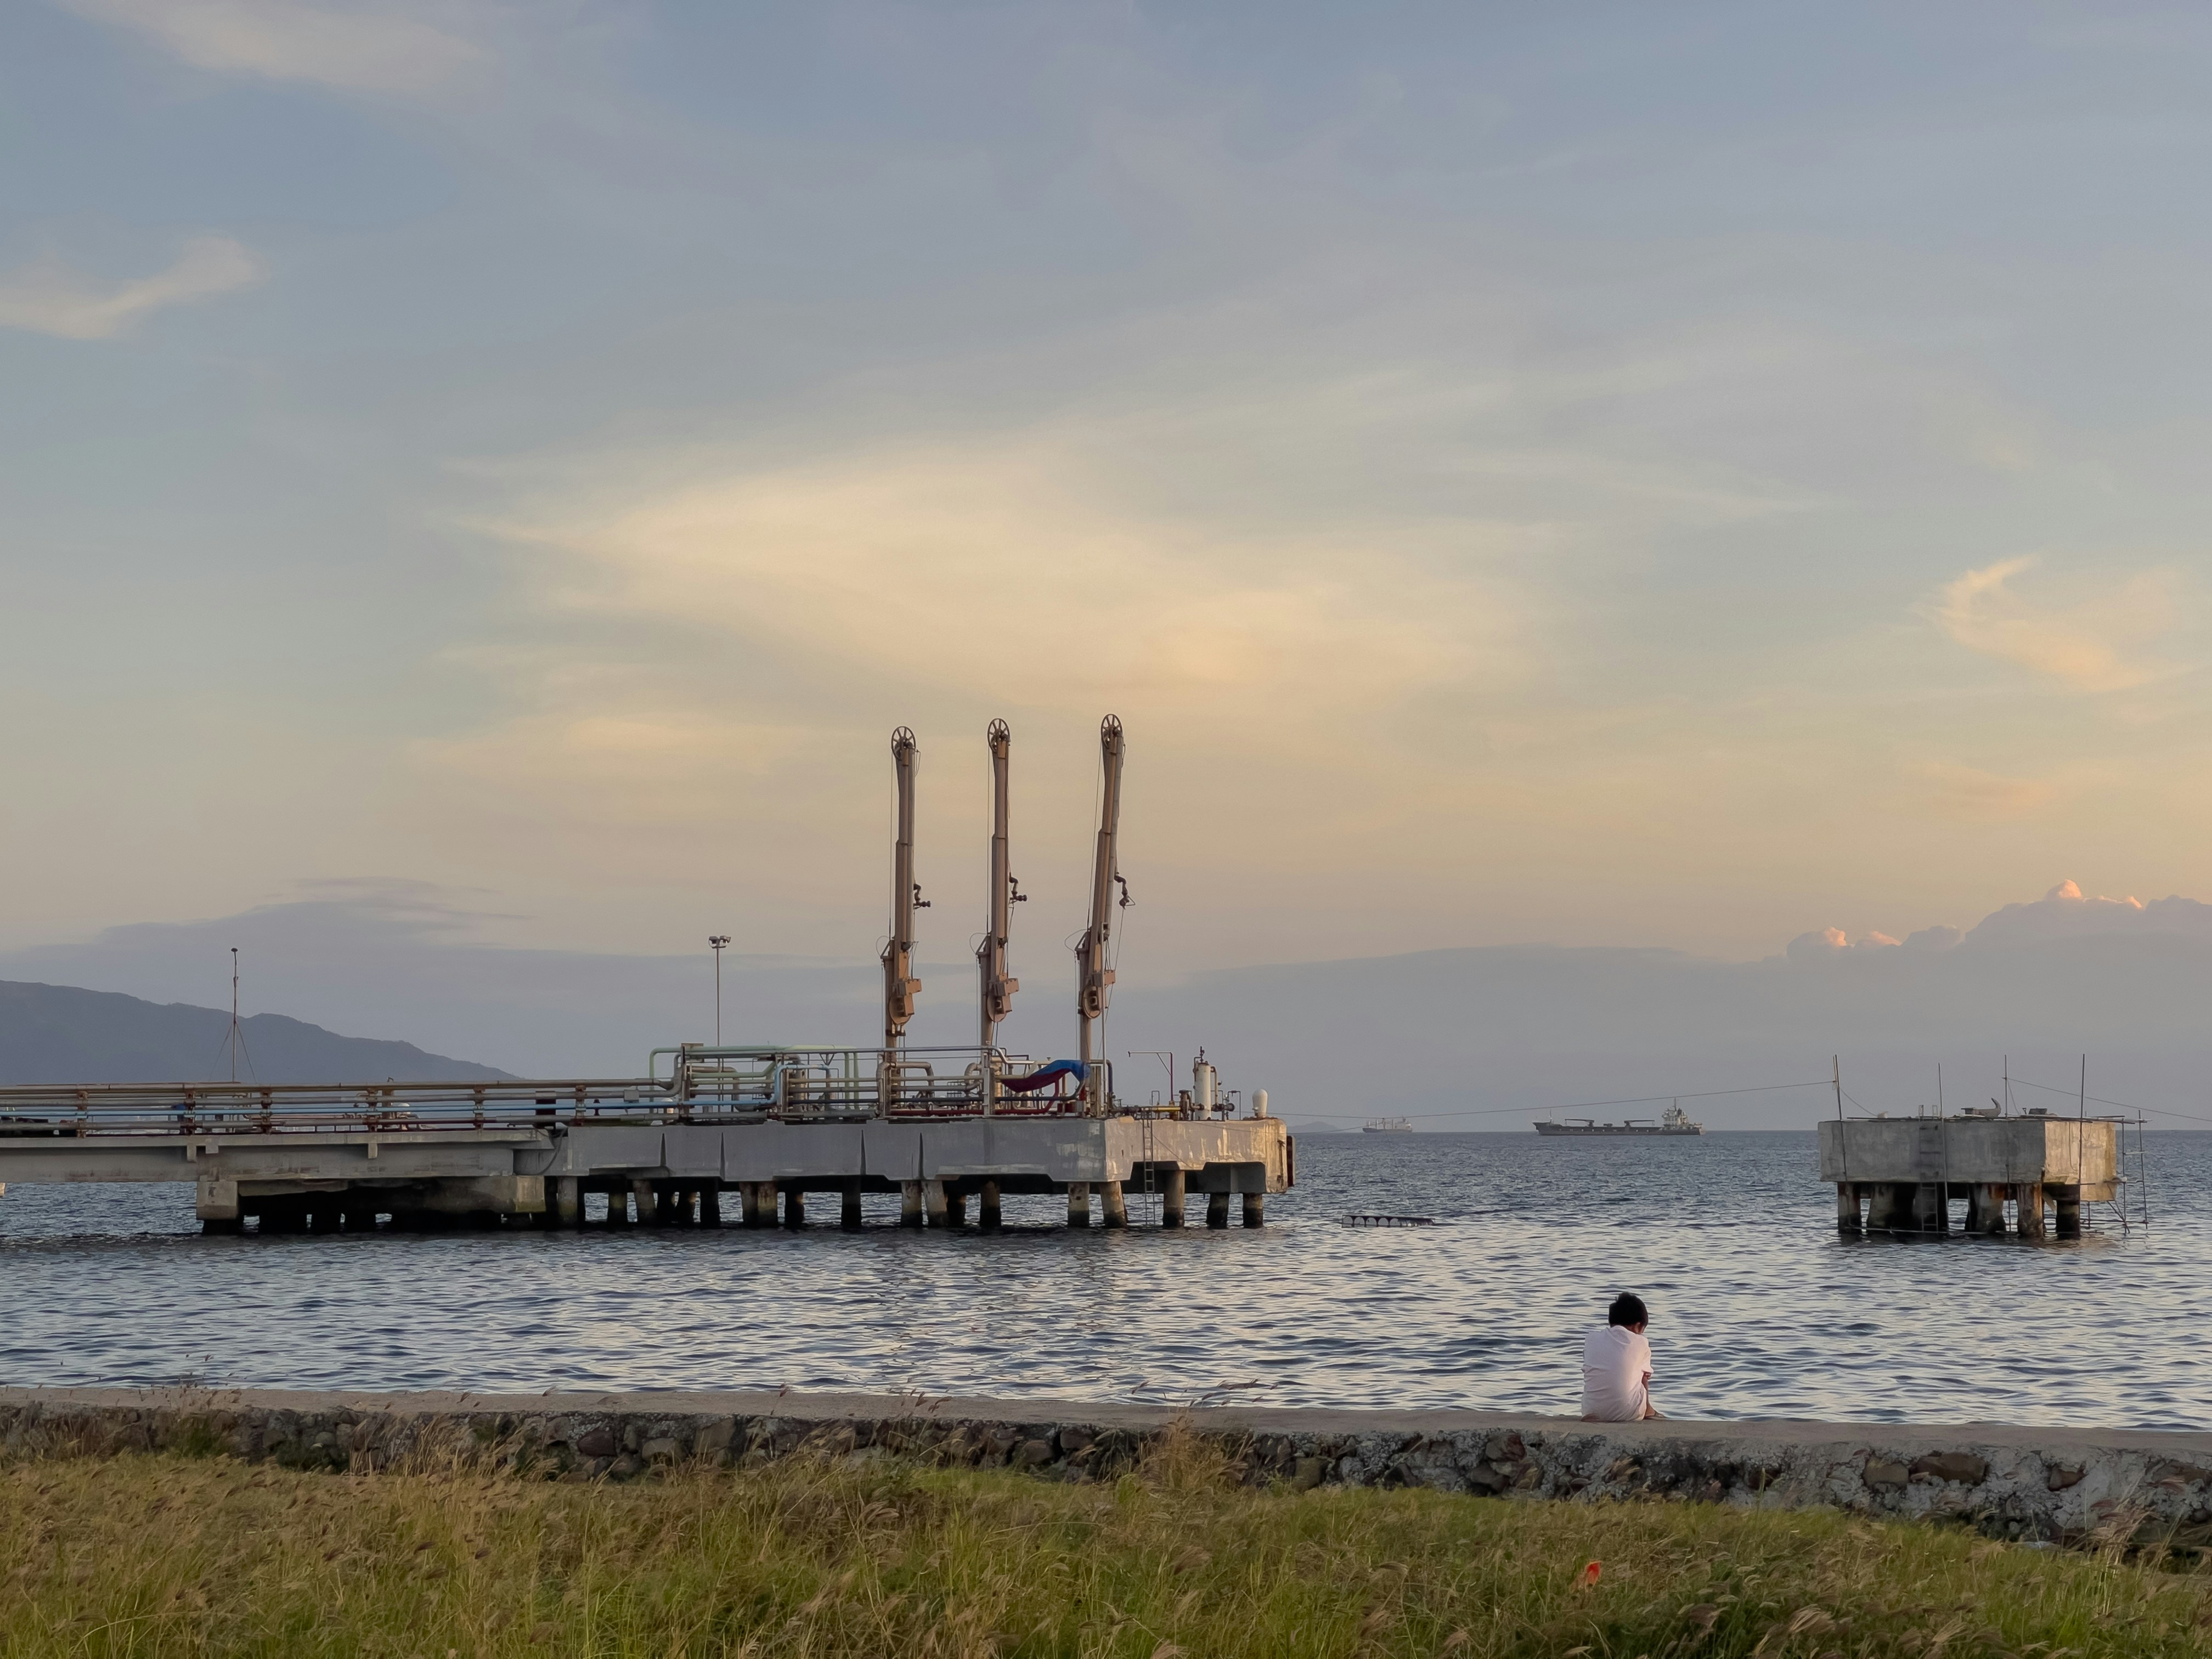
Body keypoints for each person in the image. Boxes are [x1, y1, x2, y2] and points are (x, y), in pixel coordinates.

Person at [1581, 1293, 1663, 1421]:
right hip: (1627, 1413)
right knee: (1643, 1374)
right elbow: (1645, 1376)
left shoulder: (1591, 1339)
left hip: (1590, 1412)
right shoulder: (1641, 1342)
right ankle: (1648, 1410)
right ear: (1638, 1326)